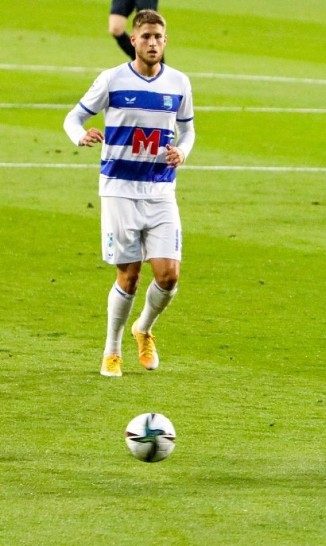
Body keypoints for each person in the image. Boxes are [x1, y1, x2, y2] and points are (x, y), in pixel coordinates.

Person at [63, 9, 195, 377]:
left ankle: (144, 328)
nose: (153, 43)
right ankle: (112, 350)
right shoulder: (112, 80)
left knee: (169, 277)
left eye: (158, 37)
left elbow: (188, 131)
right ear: (133, 41)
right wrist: (81, 135)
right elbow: (73, 118)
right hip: (119, 190)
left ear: (165, 41)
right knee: (129, 276)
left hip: (161, 189)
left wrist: (182, 152)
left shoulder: (179, 83)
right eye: (146, 37)